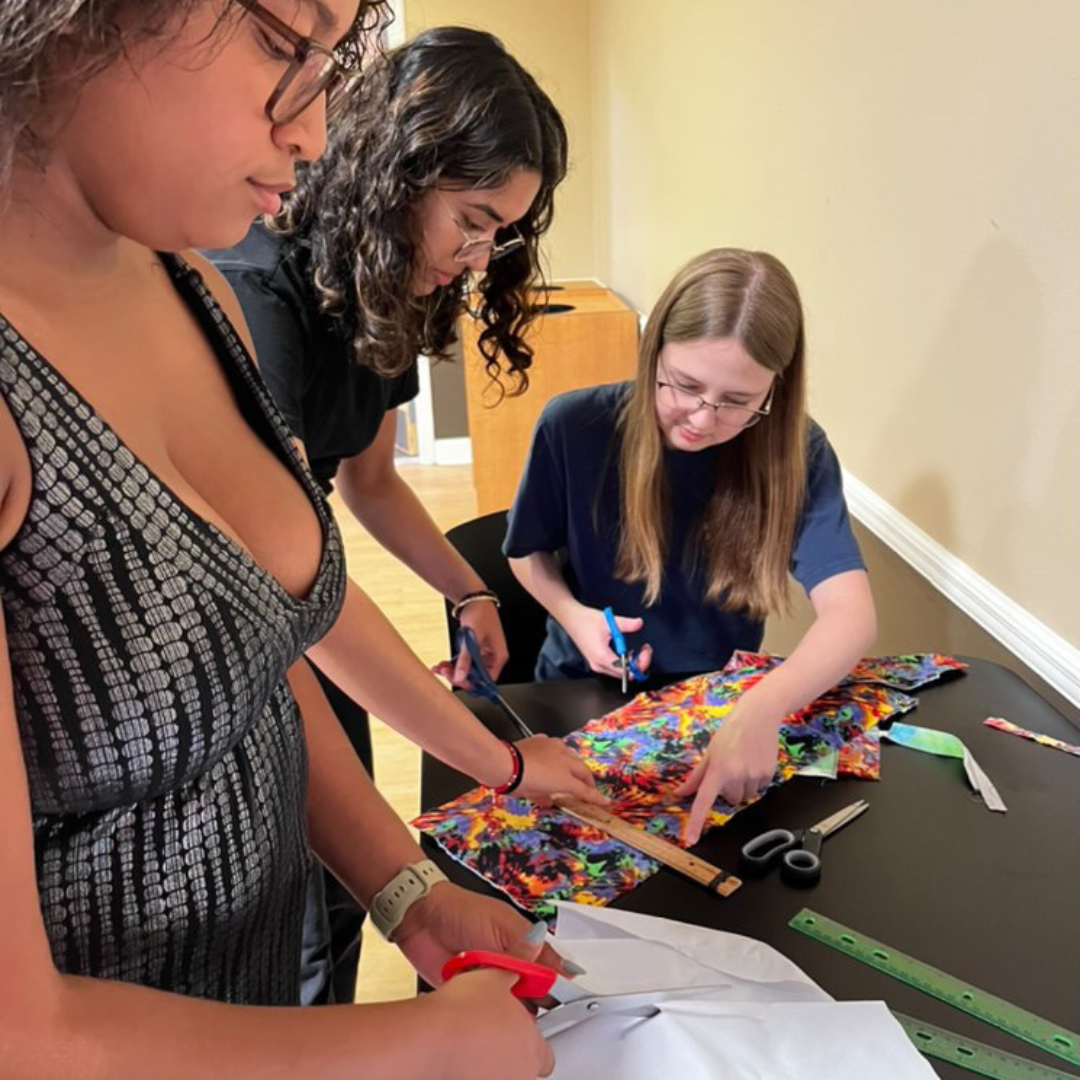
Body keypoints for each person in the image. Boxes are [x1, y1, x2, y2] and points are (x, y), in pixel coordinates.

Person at [0, 2, 573, 1075]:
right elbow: (18, 1029)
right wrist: (415, 1047)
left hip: (252, 972)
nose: (313, 128)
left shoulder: (190, 281)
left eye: (332, 63)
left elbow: (255, 646)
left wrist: (405, 889)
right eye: (282, 45)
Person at [205, 26, 571, 1003]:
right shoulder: (254, 301)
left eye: (504, 232)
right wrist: (497, 761)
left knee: (345, 891)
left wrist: (466, 587)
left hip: (305, 596)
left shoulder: (386, 286)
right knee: (287, 915)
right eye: (474, 218)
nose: (482, 253)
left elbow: (367, 485)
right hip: (248, 627)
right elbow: (291, 587)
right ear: (397, 174)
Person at [505, 248, 877, 845]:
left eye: (737, 401)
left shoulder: (796, 453)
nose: (703, 420)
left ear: (775, 390)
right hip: (579, 696)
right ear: (653, 353)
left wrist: (760, 710)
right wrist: (574, 619)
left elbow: (852, 616)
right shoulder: (573, 426)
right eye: (685, 386)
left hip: (713, 705)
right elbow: (527, 554)